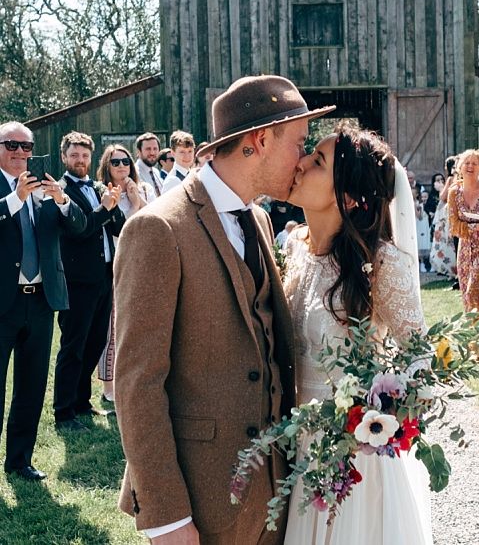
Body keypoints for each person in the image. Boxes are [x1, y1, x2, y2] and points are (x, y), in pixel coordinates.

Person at [113, 75, 335, 544]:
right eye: (299, 142)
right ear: (259, 141)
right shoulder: (157, 228)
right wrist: (167, 518)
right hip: (203, 500)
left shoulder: (256, 216)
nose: (303, 157)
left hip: (276, 492)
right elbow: (138, 382)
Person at [284, 123, 432, 545]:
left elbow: (421, 359)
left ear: (347, 197)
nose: (301, 164)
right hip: (294, 449)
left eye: (317, 162)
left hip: (353, 460)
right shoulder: (294, 246)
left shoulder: (381, 265)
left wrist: (378, 413)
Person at [0, 122, 86, 481]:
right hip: (2, 303)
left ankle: (20, 461)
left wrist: (63, 201)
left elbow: (80, 226)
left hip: (39, 301)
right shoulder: (13, 192)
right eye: (11, 145)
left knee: (32, 385)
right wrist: (14, 200)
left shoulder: (46, 187)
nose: (20, 153)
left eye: (26, 146)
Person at [55, 132, 126, 431]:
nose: (80, 161)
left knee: (95, 341)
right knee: (73, 345)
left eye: (84, 156)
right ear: (64, 157)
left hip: (103, 277)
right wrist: (104, 209)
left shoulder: (98, 188)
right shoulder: (60, 191)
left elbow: (120, 226)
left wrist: (114, 204)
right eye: (74, 155)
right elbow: (80, 231)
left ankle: (82, 401)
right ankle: (63, 412)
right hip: (77, 281)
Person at [95, 145, 154, 405]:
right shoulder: (104, 193)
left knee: (137, 326)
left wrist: (138, 199)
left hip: (141, 263)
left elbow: (152, 224)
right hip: (114, 264)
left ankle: (134, 381)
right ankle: (109, 387)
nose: (121, 166)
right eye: (115, 162)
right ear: (107, 166)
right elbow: (122, 230)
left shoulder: (144, 189)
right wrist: (134, 205)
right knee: (112, 327)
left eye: (125, 162)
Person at [448, 150, 479, 314]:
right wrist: (471, 228)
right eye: (467, 163)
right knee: (466, 293)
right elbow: (453, 223)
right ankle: (473, 335)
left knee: (473, 291)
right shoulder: (454, 192)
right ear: (460, 166)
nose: (470, 166)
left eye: (474, 163)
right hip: (465, 247)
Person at [429, 166, 457, 279]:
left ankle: (452, 270)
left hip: (447, 217)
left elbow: (443, 196)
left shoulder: (451, 180)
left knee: (448, 244)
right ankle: (451, 271)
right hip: (447, 215)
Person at [160, 130, 196, 194]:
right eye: (182, 152)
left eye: (190, 151)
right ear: (173, 153)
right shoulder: (173, 181)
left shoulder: (192, 175)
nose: (187, 156)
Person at [135, 132, 164, 198]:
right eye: (148, 149)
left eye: (155, 149)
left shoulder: (156, 172)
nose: (152, 153)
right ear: (138, 151)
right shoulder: (134, 173)